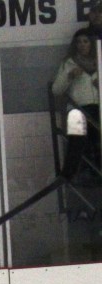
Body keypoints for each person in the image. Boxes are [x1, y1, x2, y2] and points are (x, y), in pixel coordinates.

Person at [52, 28, 100, 184]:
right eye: (79, 42)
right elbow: (56, 90)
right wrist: (70, 76)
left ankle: (95, 173)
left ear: (92, 44)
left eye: (85, 41)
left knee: (96, 142)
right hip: (77, 109)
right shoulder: (68, 63)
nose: (82, 45)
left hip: (98, 108)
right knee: (76, 142)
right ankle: (69, 175)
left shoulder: (99, 61)